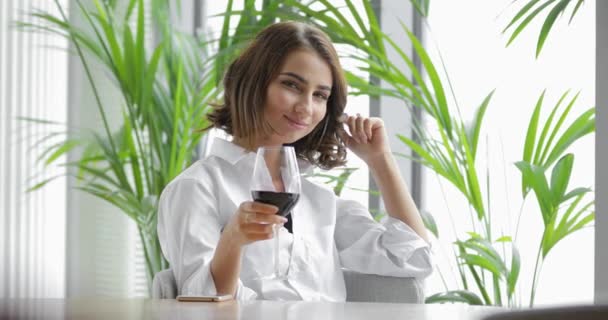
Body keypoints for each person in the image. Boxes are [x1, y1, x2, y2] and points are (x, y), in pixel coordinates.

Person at [157, 21, 432, 301]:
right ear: (254, 82)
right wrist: (232, 241)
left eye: (320, 95)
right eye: (291, 85)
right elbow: (200, 305)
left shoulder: (319, 200)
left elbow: (411, 258)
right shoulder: (197, 188)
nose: (306, 107)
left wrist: (381, 161)